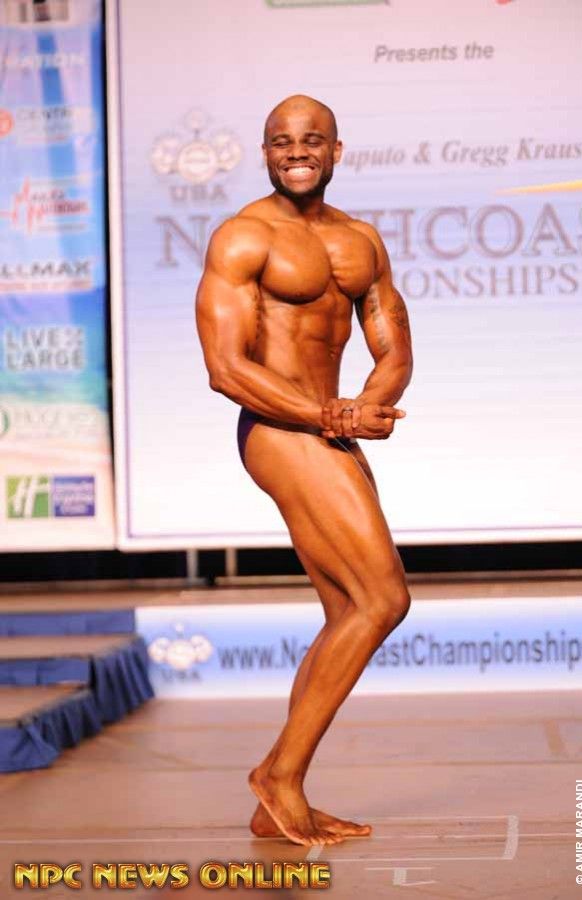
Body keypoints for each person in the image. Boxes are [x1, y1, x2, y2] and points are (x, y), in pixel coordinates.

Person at [195, 95, 413, 847]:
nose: (296, 151)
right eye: (281, 141)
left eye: (311, 139)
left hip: (329, 428)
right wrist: (330, 417)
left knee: (350, 608)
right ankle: (278, 774)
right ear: (264, 152)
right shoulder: (243, 236)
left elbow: (393, 349)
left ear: (335, 150)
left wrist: (364, 408)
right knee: (383, 598)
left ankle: (279, 794)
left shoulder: (361, 240)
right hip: (280, 429)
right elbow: (226, 368)